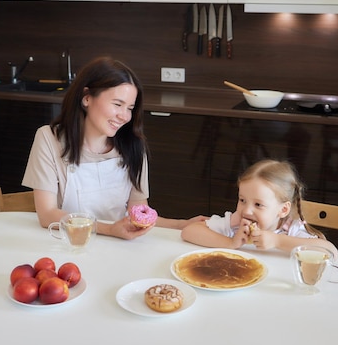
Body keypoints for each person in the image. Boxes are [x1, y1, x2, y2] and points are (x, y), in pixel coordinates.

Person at [22, 56, 203, 239]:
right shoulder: (49, 139)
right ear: (87, 98)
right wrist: (109, 230)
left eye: (130, 108)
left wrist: (182, 224)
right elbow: (47, 215)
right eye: (117, 104)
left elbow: (139, 215)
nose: (124, 116)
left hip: (120, 247)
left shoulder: (134, 146)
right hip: (70, 247)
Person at [181, 159, 338, 255]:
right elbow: (189, 231)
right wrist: (230, 243)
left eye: (258, 204)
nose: (246, 210)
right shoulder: (235, 223)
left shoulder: (291, 230)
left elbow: (330, 251)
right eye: (242, 200)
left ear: (283, 210)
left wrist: (278, 241)